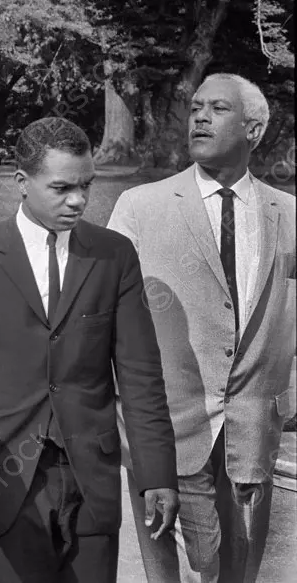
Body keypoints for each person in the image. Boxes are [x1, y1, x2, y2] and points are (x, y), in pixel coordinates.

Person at [0, 117, 179, 583]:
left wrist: (157, 473)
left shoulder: (114, 255)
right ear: (22, 183)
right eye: (63, 187)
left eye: (86, 185)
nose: (79, 200)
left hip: (91, 476)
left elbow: (141, 374)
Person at [107, 73, 296, 583]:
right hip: (165, 426)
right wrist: (122, 412)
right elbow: (105, 316)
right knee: (168, 570)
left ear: (253, 129)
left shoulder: (289, 214)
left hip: (253, 427)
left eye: (217, 109)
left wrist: (290, 396)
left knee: (237, 570)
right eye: (195, 108)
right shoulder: (139, 208)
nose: (200, 117)